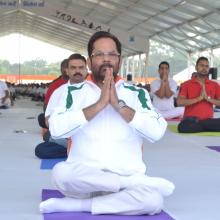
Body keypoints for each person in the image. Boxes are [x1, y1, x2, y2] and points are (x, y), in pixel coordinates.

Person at [40, 31, 174, 215]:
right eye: (99, 54)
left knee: (153, 201)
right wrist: (99, 104)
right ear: (89, 60)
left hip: (124, 175)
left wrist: (119, 106)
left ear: (119, 59)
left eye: (112, 54)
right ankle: (128, 187)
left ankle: (76, 206)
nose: (106, 59)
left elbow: (157, 131)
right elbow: (56, 129)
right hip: (85, 179)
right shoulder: (71, 91)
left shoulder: (136, 93)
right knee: (60, 173)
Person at [35, 53, 87, 159]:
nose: (77, 71)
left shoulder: (95, 90)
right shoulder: (58, 92)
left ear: (86, 70)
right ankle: (75, 149)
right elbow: (48, 120)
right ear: (67, 71)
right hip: (65, 135)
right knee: (41, 150)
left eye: (81, 67)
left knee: (49, 139)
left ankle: (75, 149)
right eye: (73, 68)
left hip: (87, 136)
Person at [177, 56, 220, 133]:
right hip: (191, 119)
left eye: (206, 66)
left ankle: (202, 125)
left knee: (206, 123)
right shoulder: (186, 84)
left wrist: (208, 99)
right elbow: (179, 102)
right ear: (196, 67)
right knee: (182, 128)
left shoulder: (214, 85)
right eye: (201, 65)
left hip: (208, 120)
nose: (204, 68)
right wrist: (198, 98)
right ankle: (205, 126)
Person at [38, 59, 69, 131]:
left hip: (73, 116)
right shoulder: (55, 85)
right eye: (64, 67)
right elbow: (46, 105)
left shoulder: (79, 82)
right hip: (58, 116)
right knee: (41, 118)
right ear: (61, 69)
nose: (66, 69)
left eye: (69, 67)